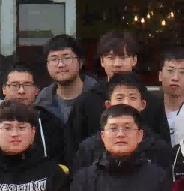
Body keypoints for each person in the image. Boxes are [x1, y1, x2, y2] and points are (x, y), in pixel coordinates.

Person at [65, 30, 169, 158]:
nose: (117, 64)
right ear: (102, 61)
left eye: (123, 58)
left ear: (134, 60)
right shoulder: (85, 102)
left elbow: (164, 150)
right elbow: (73, 149)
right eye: (111, 58)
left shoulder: (152, 102)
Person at [71, 74, 173, 171]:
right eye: (119, 98)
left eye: (132, 98)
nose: (126, 103)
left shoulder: (158, 148)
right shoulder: (89, 148)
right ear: (108, 105)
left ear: (143, 105)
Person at [0, 62, 66, 164]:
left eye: (27, 85)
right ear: (4, 89)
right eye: (14, 85)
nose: (21, 91)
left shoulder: (51, 122)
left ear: (36, 90)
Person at [35, 34, 99, 123]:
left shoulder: (99, 95)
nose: (60, 64)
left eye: (66, 58)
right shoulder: (42, 101)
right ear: (47, 65)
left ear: (80, 63)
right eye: (54, 59)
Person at [159, 47, 184, 146]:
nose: (175, 78)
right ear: (160, 75)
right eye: (170, 71)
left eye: (182, 72)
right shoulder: (148, 110)